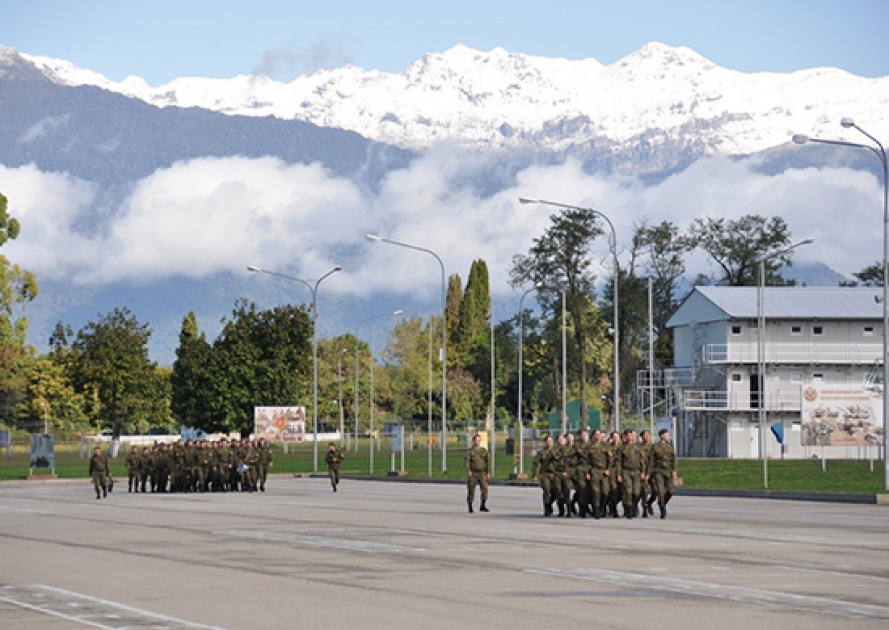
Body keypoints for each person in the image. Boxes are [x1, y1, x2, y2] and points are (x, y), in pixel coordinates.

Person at [649, 428, 677, 519]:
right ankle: (662, 509)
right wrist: (650, 473)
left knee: (670, 490)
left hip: (668, 471)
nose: (668, 436)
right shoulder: (655, 447)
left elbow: (673, 459)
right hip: (658, 471)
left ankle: (662, 502)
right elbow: (651, 461)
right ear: (662, 436)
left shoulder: (670, 446)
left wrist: (674, 470)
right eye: (666, 435)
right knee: (660, 491)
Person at [531, 435, 557, 516]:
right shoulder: (542, 452)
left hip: (555, 473)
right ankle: (546, 508)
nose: (549, 443)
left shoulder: (556, 451)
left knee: (556, 492)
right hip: (545, 474)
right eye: (548, 441)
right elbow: (535, 463)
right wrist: (534, 475)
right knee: (547, 491)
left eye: (551, 441)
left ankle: (549, 504)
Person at [464, 433, 490, 513]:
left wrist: (488, 472)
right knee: (471, 489)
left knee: (485, 489)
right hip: (473, 473)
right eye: (476, 440)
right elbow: (467, 461)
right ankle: (470, 506)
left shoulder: (484, 451)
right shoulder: (470, 451)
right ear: (473, 441)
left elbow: (488, 461)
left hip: (482, 473)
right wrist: (468, 470)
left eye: (479, 440)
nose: (477, 441)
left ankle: (483, 505)